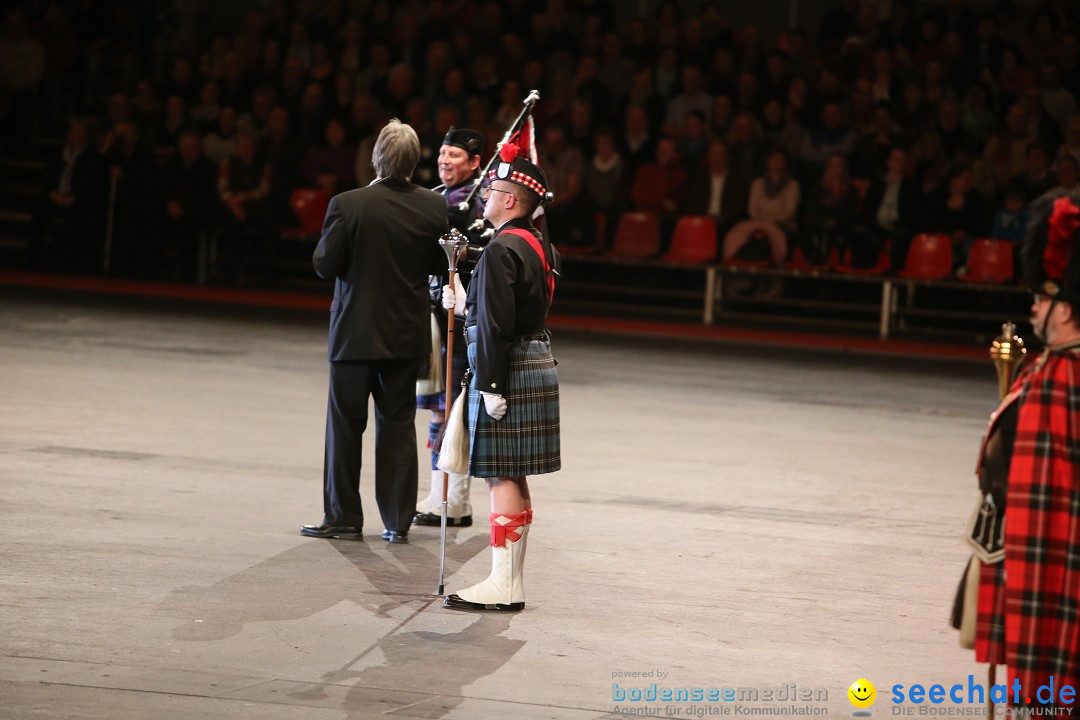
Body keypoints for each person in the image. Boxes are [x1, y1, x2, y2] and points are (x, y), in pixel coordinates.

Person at [301, 119, 447, 544]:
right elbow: (440, 267)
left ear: (376, 158)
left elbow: (324, 264)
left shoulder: (348, 204)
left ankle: (344, 517)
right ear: (414, 159)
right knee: (398, 425)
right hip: (404, 336)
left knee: (346, 427)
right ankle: (398, 520)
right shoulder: (432, 207)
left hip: (354, 336)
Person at [970, 193, 1080, 712]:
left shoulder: (1064, 378)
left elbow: (1047, 497)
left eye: (1042, 296)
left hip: (1055, 566)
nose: (1033, 305)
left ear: (1067, 308)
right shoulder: (1050, 367)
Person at [439, 143, 561, 612]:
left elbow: (494, 326)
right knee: (513, 474)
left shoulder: (500, 248)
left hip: (506, 371)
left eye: (492, 190)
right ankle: (505, 579)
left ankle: (504, 584)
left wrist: (488, 386)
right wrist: (466, 300)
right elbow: (511, 306)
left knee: (500, 475)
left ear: (510, 200)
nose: (484, 196)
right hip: (534, 359)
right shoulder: (536, 243)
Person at [413, 127, 487, 530]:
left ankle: (455, 498)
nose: (445, 160)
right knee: (439, 408)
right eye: (442, 153)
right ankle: (436, 492)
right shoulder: (438, 199)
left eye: (454, 155)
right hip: (435, 317)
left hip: (461, 317)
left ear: (475, 162)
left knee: (455, 406)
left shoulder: (482, 202)